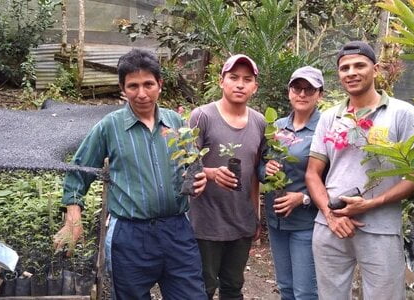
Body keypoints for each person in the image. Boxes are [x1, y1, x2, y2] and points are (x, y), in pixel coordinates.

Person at [53, 48, 208, 300]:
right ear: (122, 89)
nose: (142, 93)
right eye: (133, 86)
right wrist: (73, 218)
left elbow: (192, 165)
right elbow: (78, 172)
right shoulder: (109, 127)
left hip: (177, 231)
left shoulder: (177, 123)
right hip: (131, 235)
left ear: (160, 84)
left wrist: (198, 179)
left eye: (148, 84)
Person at [305, 41, 414, 299]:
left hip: (380, 227)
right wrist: (329, 213)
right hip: (330, 226)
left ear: (376, 69)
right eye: (344, 68)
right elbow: (313, 173)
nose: (351, 72)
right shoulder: (329, 117)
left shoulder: (401, 113)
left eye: (359, 65)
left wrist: (371, 204)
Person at [188, 54, 266, 299]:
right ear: (221, 81)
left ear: (255, 86)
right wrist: (210, 173)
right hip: (206, 223)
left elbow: (254, 173)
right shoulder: (202, 116)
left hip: (240, 221)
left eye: (247, 79)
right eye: (233, 77)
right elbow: (187, 167)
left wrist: (256, 215)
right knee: (204, 287)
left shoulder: (260, 122)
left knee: (233, 287)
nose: (240, 84)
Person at [258, 66, 323, 300]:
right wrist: (267, 170)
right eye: (297, 88)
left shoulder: (324, 129)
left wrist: (304, 197)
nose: (302, 94)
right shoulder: (275, 128)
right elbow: (259, 166)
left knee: (305, 292)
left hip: (306, 223)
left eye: (310, 89)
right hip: (277, 223)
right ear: (289, 92)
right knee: (285, 287)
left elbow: (334, 178)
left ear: (320, 94)